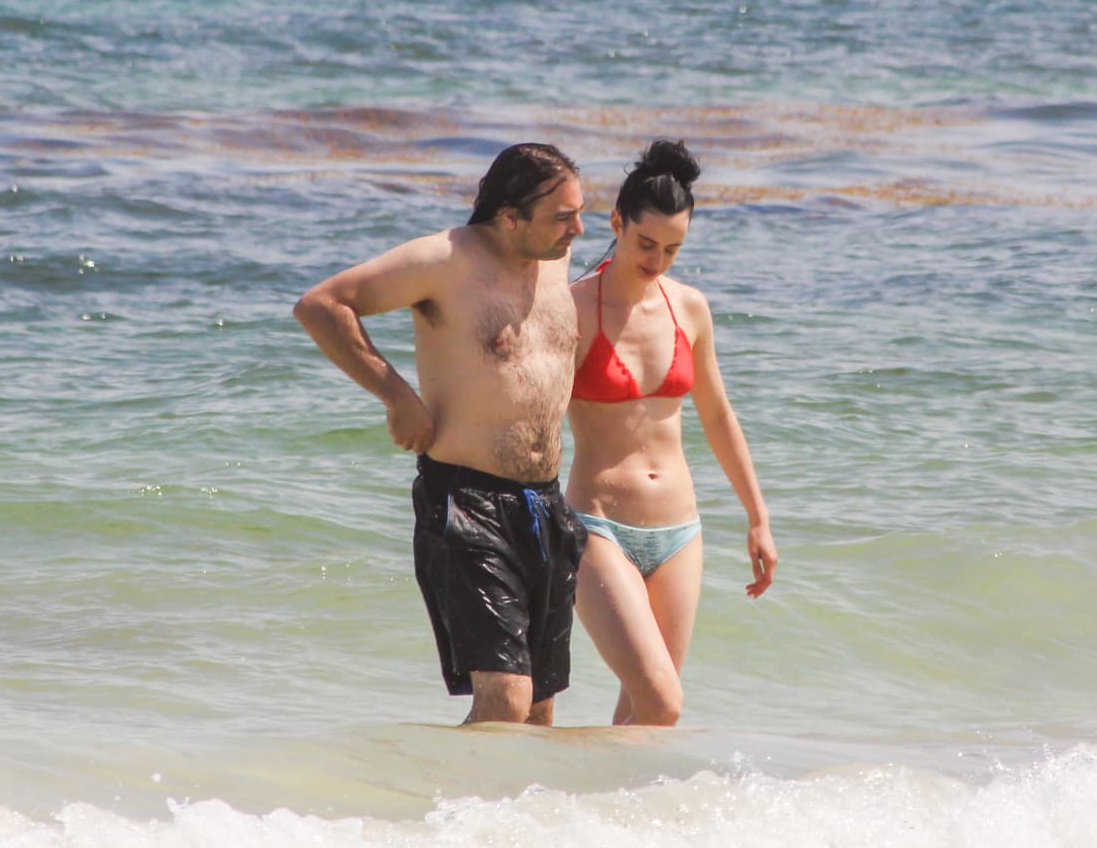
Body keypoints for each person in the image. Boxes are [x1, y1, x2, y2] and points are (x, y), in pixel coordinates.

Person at [293, 143, 589, 726]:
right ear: (509, 217)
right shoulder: (443, 260)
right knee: (505, 699)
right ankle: (448, 810)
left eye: (581, 210)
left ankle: (507, 818)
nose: (578, 228)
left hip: (546, 505)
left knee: (539, 709)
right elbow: (323, 305)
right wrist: (397, 397)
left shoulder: (556, 259)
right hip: (467, 501)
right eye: (562, 215)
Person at [566, 139, 779, 726]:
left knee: (643, 712)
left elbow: (717, 415)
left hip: (680, 532)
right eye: (646, 244)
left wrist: (757, 518)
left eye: (673, 249)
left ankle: (603, 813)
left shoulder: (690, 308)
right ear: (617, 222)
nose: (657, 260)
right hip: (597, 525)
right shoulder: (575, 309)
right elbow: (532, 414)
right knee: (662, 702)